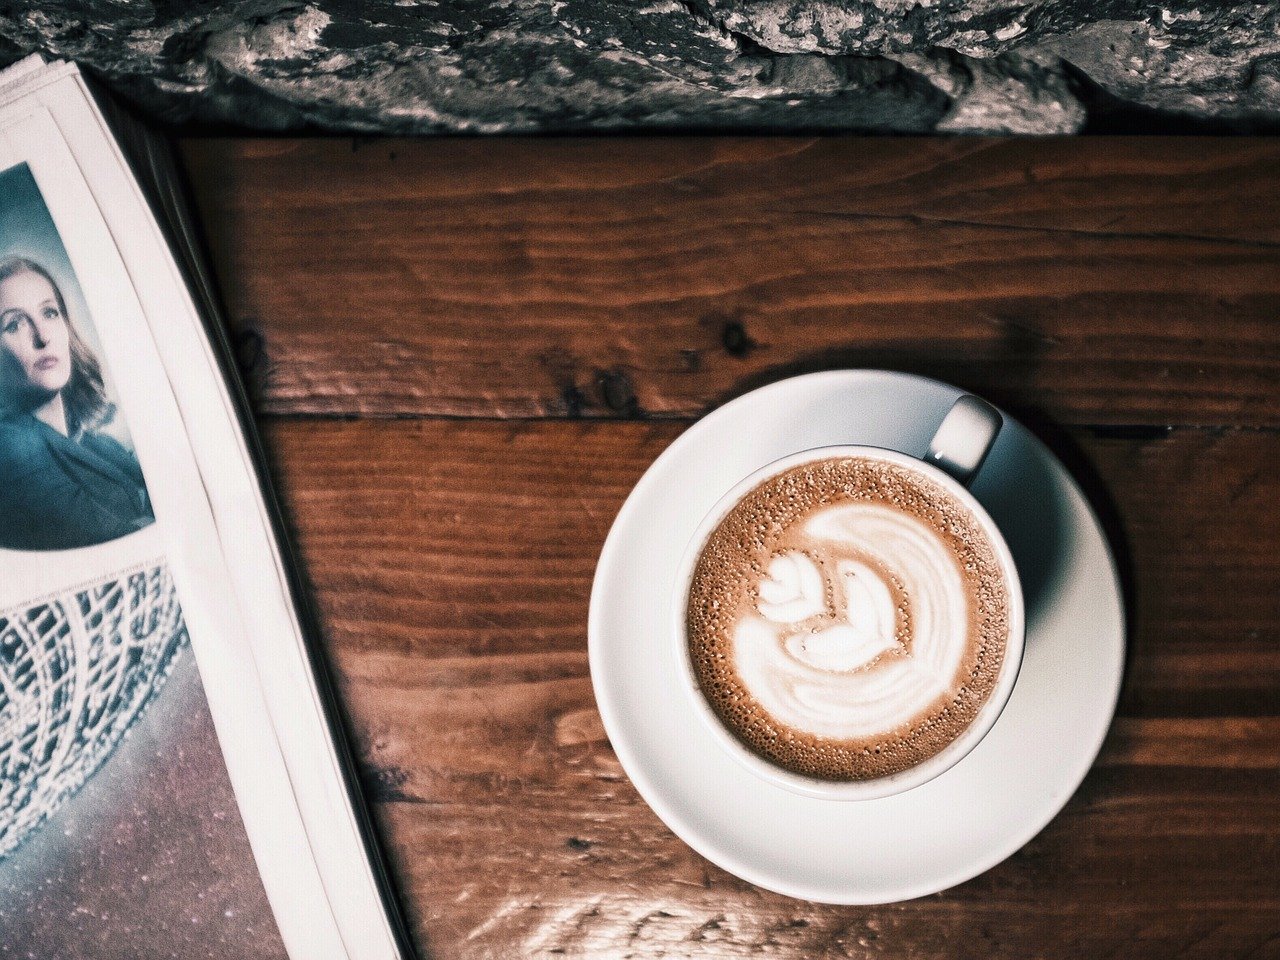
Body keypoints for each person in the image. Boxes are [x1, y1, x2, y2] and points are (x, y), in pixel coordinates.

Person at [0, 256, 153, 550]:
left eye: (49, 313)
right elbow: (117, 543)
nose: (42, 336)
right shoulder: (8, 448)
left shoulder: (98, 444)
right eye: (14, 325)